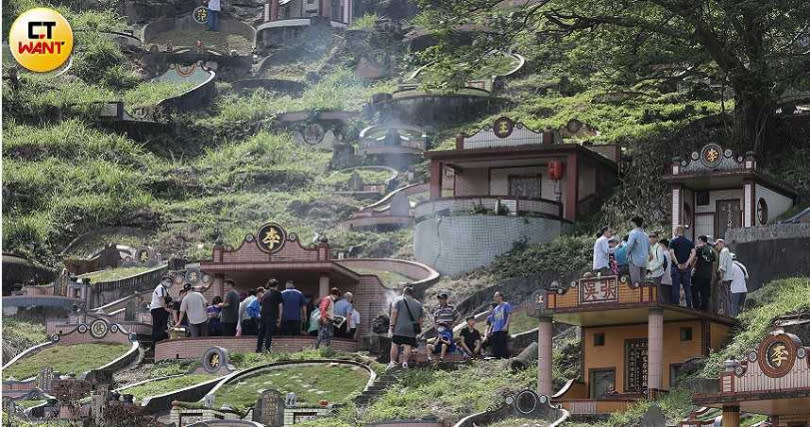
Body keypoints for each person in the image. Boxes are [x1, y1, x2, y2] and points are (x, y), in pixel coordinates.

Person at [388, 285, 423, 369]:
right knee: (408, 345)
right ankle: (405, 363)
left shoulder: (398, 300)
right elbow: (420, 320)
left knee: (395, 343)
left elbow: (394, 313)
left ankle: (392, 362)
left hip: (399, 327)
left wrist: (392, 325)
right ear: (412, 294)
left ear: (404, 293)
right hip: (411, 329)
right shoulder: (418, 304)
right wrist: (419, 330)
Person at [669, 226, 696, 308]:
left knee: (676, 287)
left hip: (676, 267)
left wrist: (677, 264)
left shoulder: (673, 241)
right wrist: (687, 263)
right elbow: (694, 253)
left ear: (677, 231)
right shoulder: (689, 242)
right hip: (686, 268)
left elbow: (671, 253)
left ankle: (676, 306)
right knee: (687, 287)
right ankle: (689, 305)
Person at [258, 280, 283, 353]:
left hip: (263, 315)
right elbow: (280, 307)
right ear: (277, 286)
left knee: (261, 332)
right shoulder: (278, 294)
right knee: (268, 332)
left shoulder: (265, 294)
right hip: (272, 315)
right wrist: (280, 319)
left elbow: (261, 305)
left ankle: (258, 349)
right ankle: (267, 349)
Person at [692, 235, 715, 311]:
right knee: (705, 292)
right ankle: (704, 309)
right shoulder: (711, 250)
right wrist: (712, 274)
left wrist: (692, 268)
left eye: (698, 241)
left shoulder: (699, 248)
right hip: (708, 275)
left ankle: (696, 307)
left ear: (701, 240)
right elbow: (713, 263)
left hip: (699, 273)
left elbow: (694, 259)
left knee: (694, 290)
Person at [487, 291, 512, 359]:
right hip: (495, 329)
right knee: (495, 345)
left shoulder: (506, 305)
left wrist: (506, 325)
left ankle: (505, 358)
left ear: (500, 297)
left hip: (502, 328)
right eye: (494, 297)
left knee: (502, 344)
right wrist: (490, 330)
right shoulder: (495, 309)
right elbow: (493, 321)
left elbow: (509, 315)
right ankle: (497, 358)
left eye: (496, 296)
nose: (494, 298)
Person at [625, 217, 650, 286]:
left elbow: (629, 245)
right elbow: (649, 248)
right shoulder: (646, 235)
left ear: (633, 223)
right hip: (644, 261)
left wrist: (627, 254)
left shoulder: (633, 233)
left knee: (636, 282)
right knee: (642, 282)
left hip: (635, 260)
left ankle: (637, 296)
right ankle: (642, 296)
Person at [149, 276, 173, 346]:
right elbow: (162, 299)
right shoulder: (161, 288)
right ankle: (157, 342)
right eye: (167, 281)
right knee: (159, 326)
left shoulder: (164, 289)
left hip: (158, 309)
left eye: (170, 281)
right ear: (162, 281)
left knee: (160, 326)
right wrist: (166, 308)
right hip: (158, 309)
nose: (168, 283)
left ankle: (159, 341)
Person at [715, 239, 733, 315]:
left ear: (721, 243)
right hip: (728, 278)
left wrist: (721, 279)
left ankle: (727, 313)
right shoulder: (727, 251)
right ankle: (728, 312)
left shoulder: (723, 252)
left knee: (725, 297)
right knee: (727, 297)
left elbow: (722, 267)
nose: (716, 246)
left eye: (717, 244)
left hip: (724, 278)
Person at [646, 232, 666, 302]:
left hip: (657, 274)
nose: (651, 238)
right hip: (649, 274)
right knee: (652, 292)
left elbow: (661, 261)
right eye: (650, 236)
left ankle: (661, 307)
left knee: (657, 292)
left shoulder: (659, 248)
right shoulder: (649, 248)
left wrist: (651, 269)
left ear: (657, 238)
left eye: (653, 236)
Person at [659, 239, 673, 304]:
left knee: (664, 300)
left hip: (663, 280)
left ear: (662, 245)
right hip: (670, 279)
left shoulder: (663, 254)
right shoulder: (671, 254)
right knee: (669, 299)